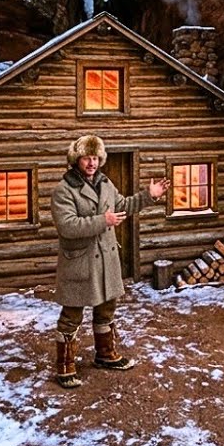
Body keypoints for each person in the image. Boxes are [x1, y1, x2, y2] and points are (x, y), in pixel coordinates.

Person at [50, 134, 169, 389]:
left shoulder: (105, 184)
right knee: (72, 314)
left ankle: (105, 354)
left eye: (95, 158)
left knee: (106, 309)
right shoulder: (63, 190)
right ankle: (64, 366)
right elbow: (67, 226)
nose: (91, 163)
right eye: (86, 158)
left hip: (105, 259)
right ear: (76, 160)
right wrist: (103, 221)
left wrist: (149, 195)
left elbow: (123, 205)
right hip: (79, 263)